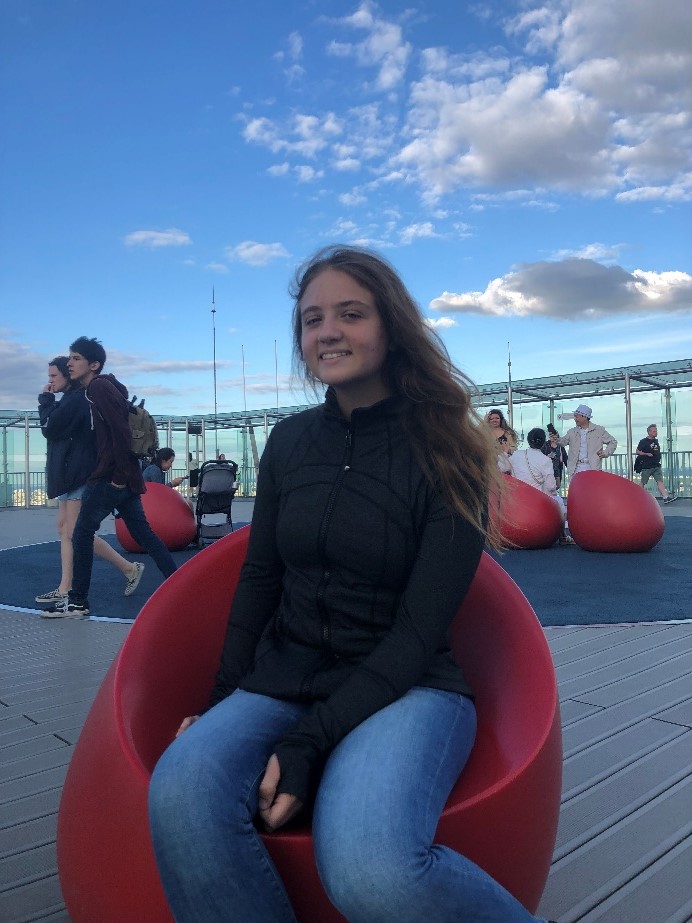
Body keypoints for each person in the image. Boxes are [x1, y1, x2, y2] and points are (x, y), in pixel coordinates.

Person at [148, 246, 556, 923]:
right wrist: (221, 703)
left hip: (410, 685)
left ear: (391, 326)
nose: (327, 330)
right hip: (287, 673)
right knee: (179, 791)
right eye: (312, 319)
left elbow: (419, 632)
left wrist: (310, 741)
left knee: (373, 871)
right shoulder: (287, 442)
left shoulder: (450, 451)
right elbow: (260, 576)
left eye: (350, 313)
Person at [43, 337, 177, 618]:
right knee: (145, 535)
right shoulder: (102, 388)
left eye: (76, 358)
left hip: (110, 478)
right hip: (127, 479)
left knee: (80, 534)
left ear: (94, 365)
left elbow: (120, 432)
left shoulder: (99, 388)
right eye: (70, 358)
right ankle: (178, 584)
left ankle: (78, 603)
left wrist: (116, 476)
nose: (70, 363)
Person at [37, 357, 146, 609]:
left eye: (54, 376)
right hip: (69, 474)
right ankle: (65, 586)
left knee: (76, 532)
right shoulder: (72, 400)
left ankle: (129, 568)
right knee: (65, 528)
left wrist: (45, 401)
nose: (50, 381)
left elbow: (49, 427)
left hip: (78, 472)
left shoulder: (76, 399)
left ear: (68, 375)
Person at [510, 428, 571, 543]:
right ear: (543, 442)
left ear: (528, 440)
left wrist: (503, 451)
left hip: (517, 499)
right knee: (559, 501)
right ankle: (562, 536)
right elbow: (551, 486)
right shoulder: (545, 460)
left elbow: (502, 467)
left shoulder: (517, 455)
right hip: (537, 502)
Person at [558, 404, 617, 478]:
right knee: (577, 489)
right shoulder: (572, 431)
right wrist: (556, 438)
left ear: (585, 417)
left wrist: (605, 453)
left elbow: (613, 442)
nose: (575, 419)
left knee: (591, 489)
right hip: (575, 468)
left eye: (577, 416)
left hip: (592, 467)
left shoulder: (599, 430)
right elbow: (562, 442)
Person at [635, 424, 677, 503]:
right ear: (649, 432)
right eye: (654, 431)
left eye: (656, 431)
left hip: (656, 465)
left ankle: (665, 497)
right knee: (643, 482)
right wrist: (646, 454)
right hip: (647, 466)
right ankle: (638, 496)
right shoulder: (643, 441)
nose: (656, 432)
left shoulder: (655, 441)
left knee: (659, 481)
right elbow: (637, 451)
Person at [542, 423, 568, 490]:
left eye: (553, 435)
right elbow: (540, 457)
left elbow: (565, 459)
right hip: (547, 471)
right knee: (547, 488)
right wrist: (548, 457)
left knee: (556, 487)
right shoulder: (545, 445)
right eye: (550, 435)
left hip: (557, 471)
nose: (552, 437)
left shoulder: (560, 446)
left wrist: (571, 469)